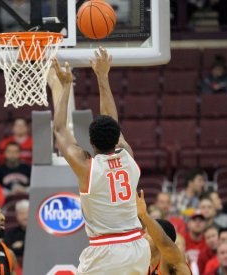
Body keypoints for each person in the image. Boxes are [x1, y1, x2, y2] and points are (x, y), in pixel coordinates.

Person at [52, 48, 150, 274]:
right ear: (117, 137)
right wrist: (102, 76)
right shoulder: (127, 154)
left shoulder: (87, 167)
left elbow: (59, 130)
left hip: (106, 250)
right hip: (137, 246)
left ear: (90, 142)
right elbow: (111, 119)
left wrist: (65, 86)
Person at [136, 190, 191, 275]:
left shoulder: (175, 264)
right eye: (145, 232)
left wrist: (144, 215)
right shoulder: (142, 266)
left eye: (149, 234)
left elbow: (165, 244)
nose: (144, 237)